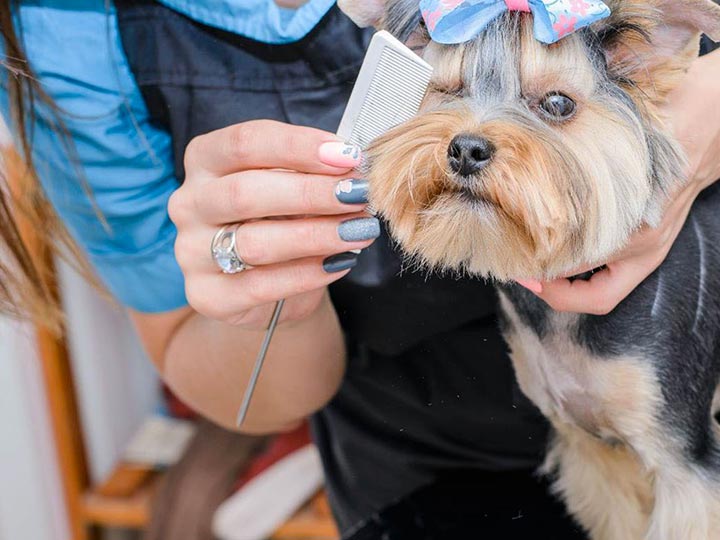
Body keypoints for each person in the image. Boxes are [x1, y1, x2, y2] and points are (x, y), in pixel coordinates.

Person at [1, 1, 719, 538]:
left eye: (554, 104)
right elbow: (225, 374)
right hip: (411, 450)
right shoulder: (67, 29)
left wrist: (695, 128)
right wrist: (261, 297)